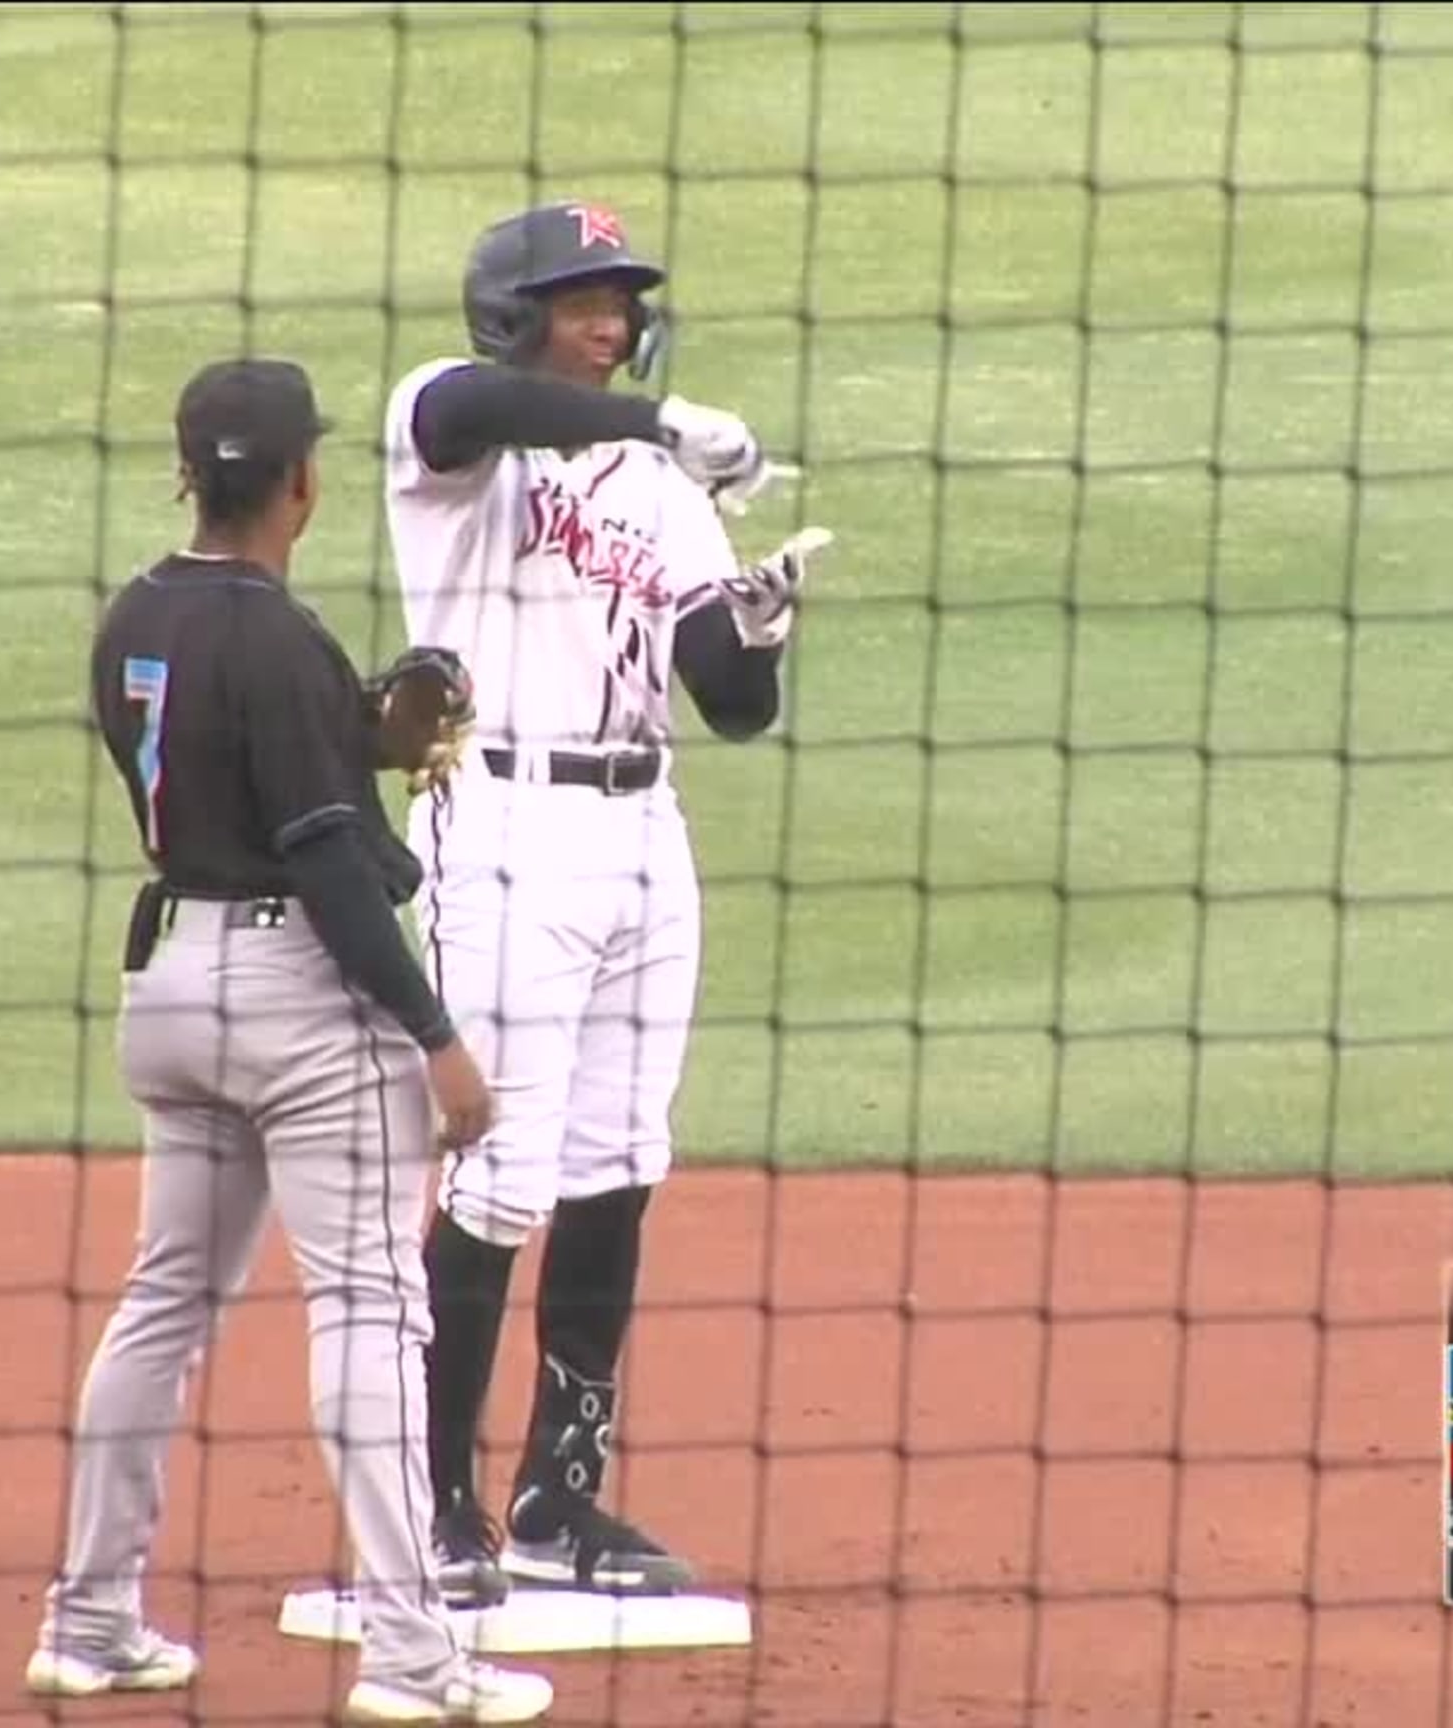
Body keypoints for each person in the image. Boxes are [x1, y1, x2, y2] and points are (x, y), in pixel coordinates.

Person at [25, 355, 554, 1725]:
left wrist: (358, 733)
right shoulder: (280, 635)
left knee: (165, 1300)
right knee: (374, 1304)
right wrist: (434, 1033)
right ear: (306, 481)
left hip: (171, 993)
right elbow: (319, 849)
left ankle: (87, 1623)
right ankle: (414, 1664)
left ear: (192, 471)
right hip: (301, 1001)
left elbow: (241, 764)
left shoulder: (131, 618)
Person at [380, 200, 830, 1605]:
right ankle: (432, 1500)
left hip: (648, 834)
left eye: (623, 305)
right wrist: (652, 428)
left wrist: (757, 627)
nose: (613, 326)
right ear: (517, 317)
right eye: (584, 303)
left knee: (619, 1163)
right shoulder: (445, 443)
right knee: (501, 1174)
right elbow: (471, 405)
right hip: (503, 822)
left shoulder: (662, 487)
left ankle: (558, 1498)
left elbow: (732, 706)